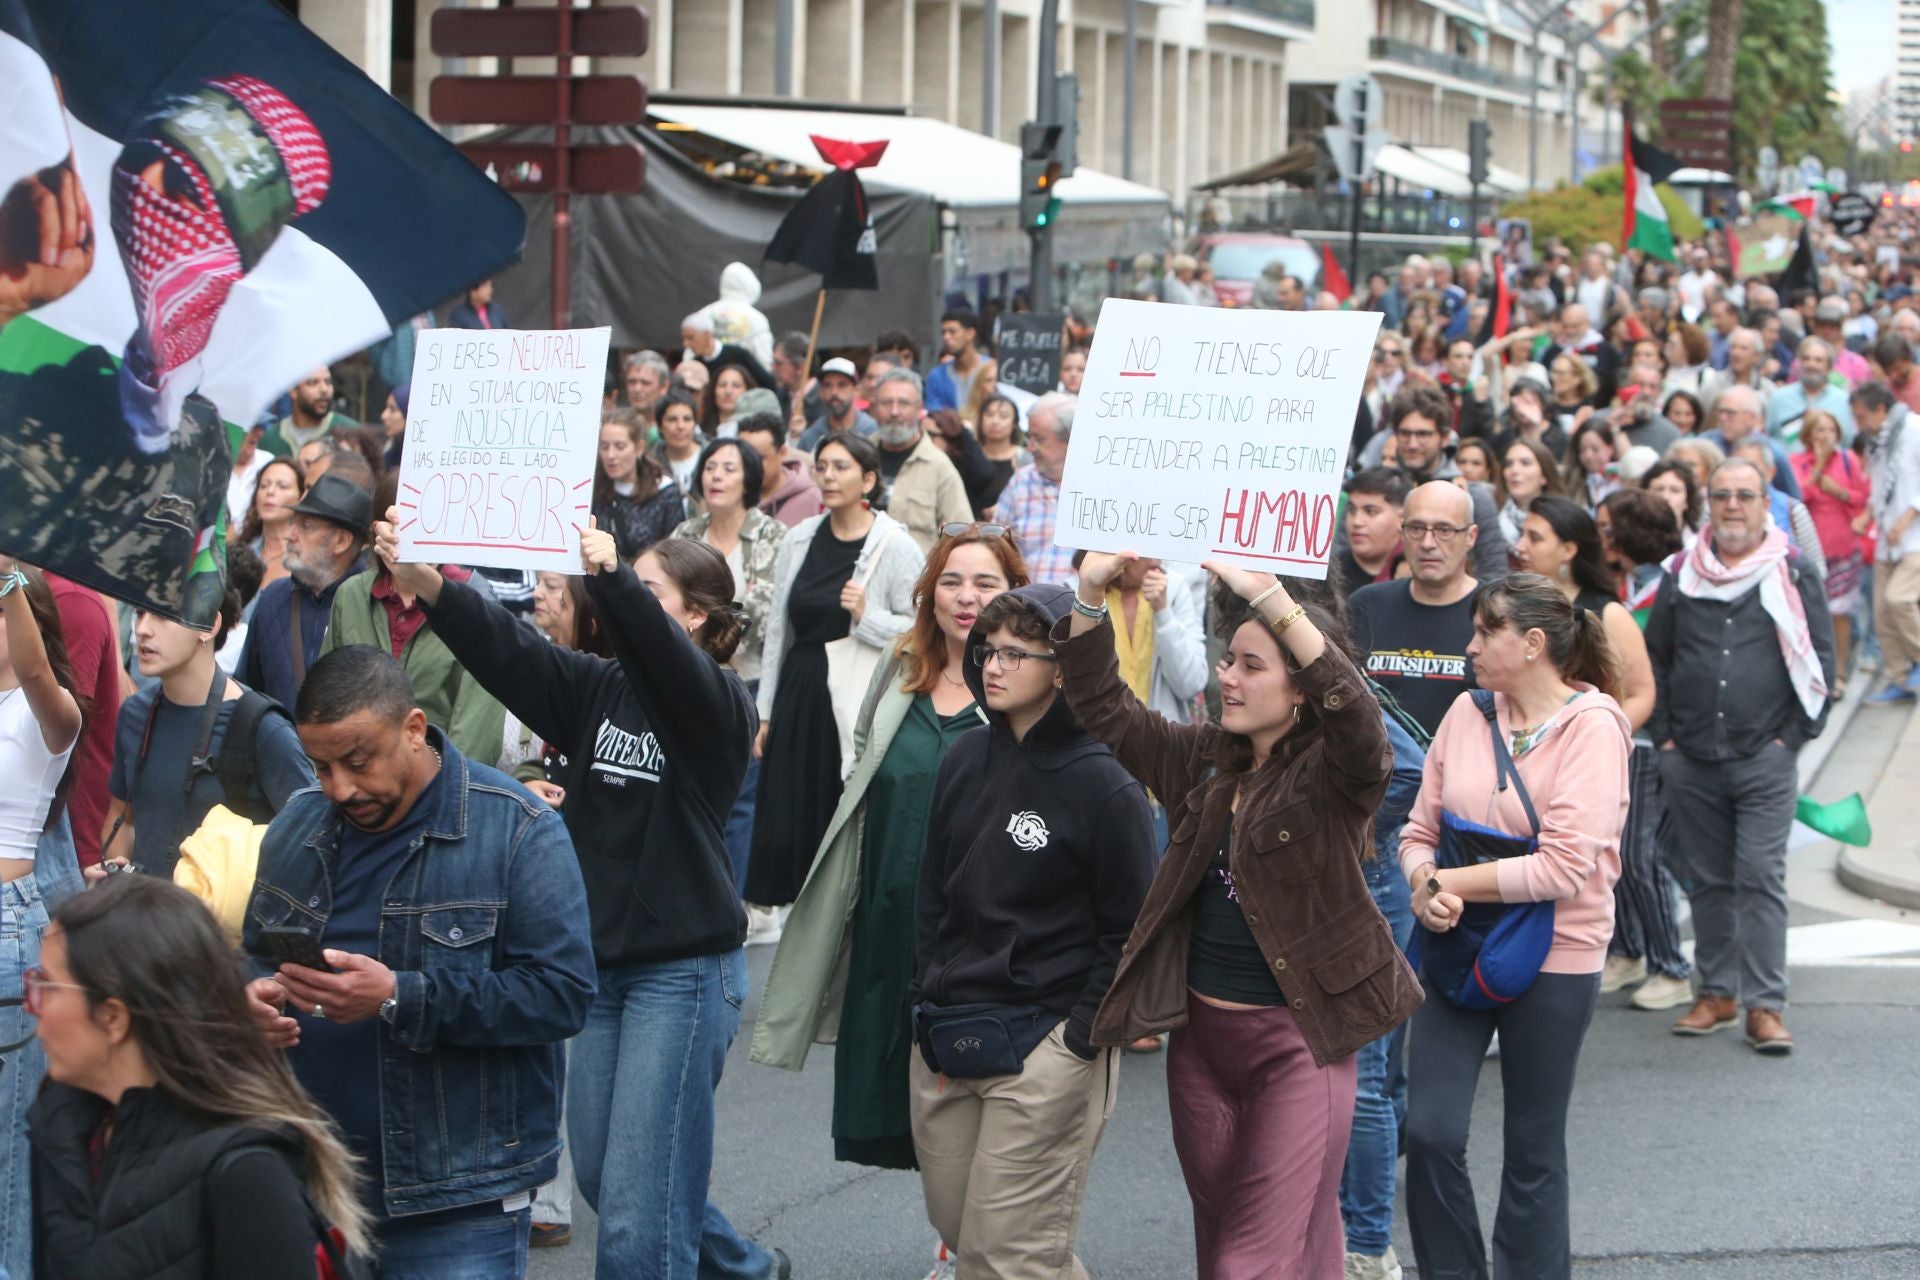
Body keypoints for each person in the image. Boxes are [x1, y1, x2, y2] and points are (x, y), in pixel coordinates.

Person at [372, 513, 790, 1280]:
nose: (627, 593)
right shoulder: (598, 688)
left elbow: (667, 660)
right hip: (601, 975)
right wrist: (428, 581)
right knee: (606, 1177)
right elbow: (511, 653)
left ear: (695, 613)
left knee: (637, 1214)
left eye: (649, 587)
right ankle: (743, 1267)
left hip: (684, 976)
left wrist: (613, 579)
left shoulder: (721, 706)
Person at [1058, 553, 1419, 1278]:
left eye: (1252, 667)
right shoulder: (1201, 762)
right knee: (1241, 1237)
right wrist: (1090, 595)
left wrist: (1274, 601)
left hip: (1298, 1049)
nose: (1227, 676)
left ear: (1298, 693)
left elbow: (1361, 726)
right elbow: (1103, 706)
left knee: (1245, 1262)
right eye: (1228, 661)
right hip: (1201, 1046)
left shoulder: (1333, 779)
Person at [242, 645, 594, 1275]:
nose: (339, 788)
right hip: (310, 1184)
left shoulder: (517, 827)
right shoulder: (298, 823)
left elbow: (561, 993)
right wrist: (250, 998)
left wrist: (400, 996)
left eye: (357, 762)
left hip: (457, 1200)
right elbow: (255, 955)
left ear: (413, 728)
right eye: (320, 766)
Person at [753, 527, 1027, 1183]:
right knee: (898, 1106)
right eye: (952, 581)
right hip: (886, 916)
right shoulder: (900, 665)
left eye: (986, 584)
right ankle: (957, 1237)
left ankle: (968, 1246)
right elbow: (864, 775)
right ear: (928, 592)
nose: (967, 598)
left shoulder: (1031, 686)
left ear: (1013, 596)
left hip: (977, 939)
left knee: (979, 1103)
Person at [906, 582, 1155, 1277]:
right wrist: (924, 996)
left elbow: (1132, 930)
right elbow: (932, 895)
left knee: (1007, 1256)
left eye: (1020, 652)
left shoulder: (1105, 782)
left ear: (1064, 666)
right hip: (948, 1036)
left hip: (1047, 1044)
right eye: (989, 648)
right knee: (968, 1232)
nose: (993, 664)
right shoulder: (963, 758)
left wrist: (1076, 1040)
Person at [1401, 574, 1631, 1280]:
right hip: (1457, 943)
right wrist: (1420, 884)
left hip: (1556, 953)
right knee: (1430, 1132)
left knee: (1534, 1150)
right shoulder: (1466, 714)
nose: (1468, 647)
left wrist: (1448, 881)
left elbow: (1562, 870)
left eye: (1483, 632)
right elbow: (1418, 832)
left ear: (1531, 645)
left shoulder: (1595, 727)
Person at [32, 875, 370, 1277]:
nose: (30, 1006)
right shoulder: (63, 1124)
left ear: (113, 1017)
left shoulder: (246, 1173)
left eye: (46, 987)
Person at [1647, 459, 1836, 1054]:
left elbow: (1821, 658)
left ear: (1764, 505)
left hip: (1765, 757)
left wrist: (1793, 739)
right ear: (1709, 504)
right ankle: (1717, 994)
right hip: (1692, 757)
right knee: (1707, 880)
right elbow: (1657, 657)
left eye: (1745, 496)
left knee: (1759, 877)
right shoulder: (1681, 573)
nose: (1732, 505)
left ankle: (1765, 1005)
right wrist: (1667, 737)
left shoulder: (1792, 570)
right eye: (1722, 495)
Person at [747, 435, 924, 916]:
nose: (827, 476)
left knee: (838, 806)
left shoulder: (896, 546)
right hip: (801, 686)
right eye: (821, 466)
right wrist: (764, 712)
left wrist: (868, 618)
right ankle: (794, 917)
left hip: (856, 691)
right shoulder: (799, 536)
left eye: (840, 467)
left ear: (868, 478)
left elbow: (922, 630)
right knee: (788, 810)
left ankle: (837, 917)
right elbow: (779, 629)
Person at [103, 588, 313, 876]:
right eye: (140, 613)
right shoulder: (134, 714)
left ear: (209, 626)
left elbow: (311, 838)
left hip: (221, 920)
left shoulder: (262, 728)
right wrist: (112, 879)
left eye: (163, 616)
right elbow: (123, 818)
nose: (142, 630)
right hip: (143, 915)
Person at [0, 559, 83, 1278]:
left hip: (8, 926)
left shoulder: (49, 714)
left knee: (6, 1145)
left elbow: (31, 673)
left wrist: (5, 578)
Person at [318, 485, 507, 767]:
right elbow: (326, 697)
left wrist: (444, 790)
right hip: (355, 781)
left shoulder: (476, 604)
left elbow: (475, 732)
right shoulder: (351, 595)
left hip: (438, 785)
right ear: (379, 529)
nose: (423, 533)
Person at [671, 438, 788, 894]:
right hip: (683, 678)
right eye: (711, 467)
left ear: (750, 480)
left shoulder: (771, 536)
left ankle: (728, 901)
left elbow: (764, 614)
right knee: (682, 789)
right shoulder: (685, 534)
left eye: (729, 468)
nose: (716, 476)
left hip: (748, 679)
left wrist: (696, 612)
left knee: (738, 798)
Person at [1352, 481, 1485, 740]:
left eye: (1444, 530)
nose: (1427, 542)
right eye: (1416, 528)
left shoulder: (1494, 613)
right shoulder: (1365, 605)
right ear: (1402, 532)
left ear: (1471, 536)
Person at [234, 473, 370, 714]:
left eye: (305, 526)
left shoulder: (372, 604)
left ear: (341, 541)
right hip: (278, 750)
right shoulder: (273, 598)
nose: (289, 535)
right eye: (293, 522)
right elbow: (247, 692)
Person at [1850, 381, 1920, 705]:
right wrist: (1868, 516)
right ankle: (1900, 679)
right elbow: (1879, 488)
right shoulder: (1877, 442)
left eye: (1862, 416)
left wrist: (1908, 516)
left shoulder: (1913, 429)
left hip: (1913, 538)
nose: (1859, 425)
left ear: (1880, 410)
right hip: (1886, 539)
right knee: (1882, 615)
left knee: (1899, 600)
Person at [1790, 409, 1870, 690]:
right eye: (1819, 430)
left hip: (1843, 548)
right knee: (1810, 613)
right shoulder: (1796, 463)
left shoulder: (1848, 461)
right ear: (1808, 435)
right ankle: (1814, 672)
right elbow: (1797, 496)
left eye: (1830, 430)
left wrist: (1840, 492)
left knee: (1840, 612)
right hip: (1810, 551)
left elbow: (1862, 497)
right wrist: (1817, 470)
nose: (1825, 436)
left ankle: (1839, 673)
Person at [868, 369, 975, 553]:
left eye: (903, 403)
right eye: (886, 403)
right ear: (874, 408)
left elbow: (962, 537)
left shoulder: (939, 467)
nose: (894, 412)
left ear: (919, 409)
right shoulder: (859, 457)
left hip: (916, 578)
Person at [997, 392, 1078, 583]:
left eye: (1039, 439)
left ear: (1069, 440)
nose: (1030, 447)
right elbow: (997, 548)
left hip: (1086, 607)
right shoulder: (1021, 483)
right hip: (1028, 607)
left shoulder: (1099, 486)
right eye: (1029, 438)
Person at [594, 406, 686, 560]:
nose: (610, 455)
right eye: (604, 447)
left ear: (639, 448)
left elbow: (677, 555)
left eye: (620, 446)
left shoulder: (665, 492)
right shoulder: (595, 490)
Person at [1704, 386, 1799, 499]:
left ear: (1751, 417)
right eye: (1720, 412)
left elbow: (1792, 496)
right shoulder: (1706, 444)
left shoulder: (1772, 452)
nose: (1722, 418)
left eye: (1730, 413)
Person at [739, 411, 825, 527]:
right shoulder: (729, 494)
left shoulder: (812, 500)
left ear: (782, 452)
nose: (750, 464)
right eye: (743, 458)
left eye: (759, 458)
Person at [1768, 337, 1856, 445]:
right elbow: (1770, 436)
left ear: (1829, 368)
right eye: (1806, 359)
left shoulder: (1843, 401)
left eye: (1818, 360)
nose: (1811, 365)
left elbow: (1847, 442)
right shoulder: (1780, 398)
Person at [239, 457, 305, 593]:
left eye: (282, 486)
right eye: (264, 485)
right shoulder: (242, 553)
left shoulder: (307, 557)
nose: (270, 492)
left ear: (301, 498)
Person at [262, 366, 356, 458]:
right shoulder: (270, 439)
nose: (324, 389)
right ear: (293, 391)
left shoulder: (350, 432)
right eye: (313, 383)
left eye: (328, 382)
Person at [924, 310, 998, 420]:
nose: (946, 337)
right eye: (943, 333)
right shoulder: (936, 376)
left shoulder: (992, 370)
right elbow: (934, 413)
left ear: (970, 334)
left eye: (952, 332)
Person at [798, 356, 878, 453]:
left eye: (842, 385)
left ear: (856, 390)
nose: (834, 392)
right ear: (821, 392)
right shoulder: (811, 437)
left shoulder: (872, 431)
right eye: (828, 385)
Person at [972, 393, 1032, 514]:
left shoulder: (1024, 459)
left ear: (1014, 424)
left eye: (1003, 416)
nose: (995, 421)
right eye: (989, 415)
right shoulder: (971, 456)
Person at [653, 389, 710, 499]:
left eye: (687, 419)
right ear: (660, 426)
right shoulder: (651, 464)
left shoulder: (713, 456)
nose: (680, 426)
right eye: (672, 419)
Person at [703, 362, 753, 435]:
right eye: (722, 385)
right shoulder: (700, 430)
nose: (728, 391)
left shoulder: (754, 432)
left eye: (736, 386)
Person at [624, 350, 672, 419]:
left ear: (663, 387)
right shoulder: (615, 425)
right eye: (632, 382)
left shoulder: (676, 425)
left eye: (645, 383)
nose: (637, 389)